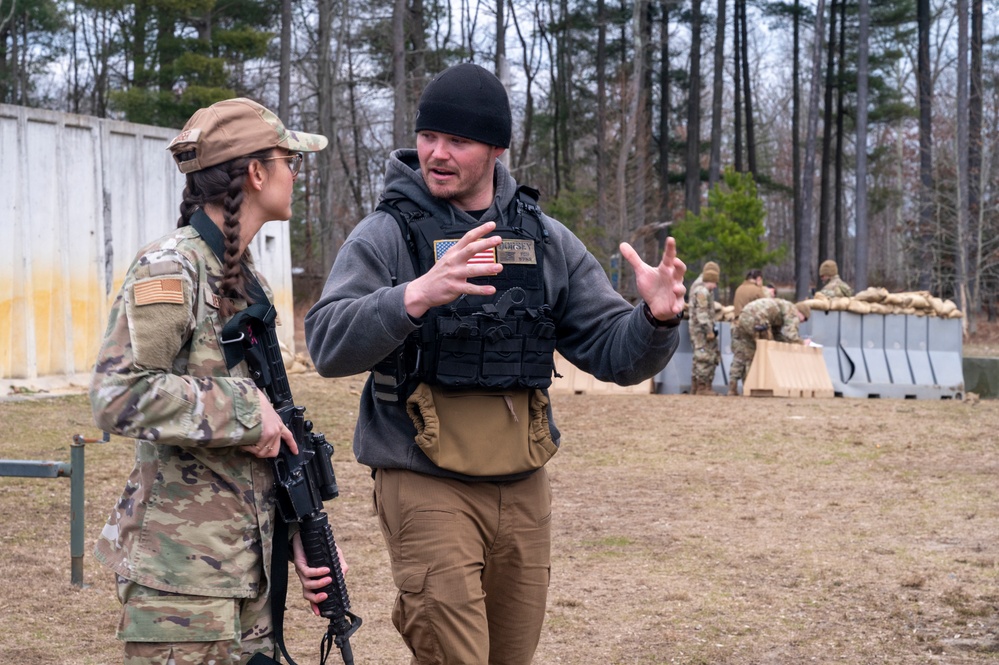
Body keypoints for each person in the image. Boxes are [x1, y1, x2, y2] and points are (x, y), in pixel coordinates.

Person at [305, 63, 686, 665]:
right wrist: (416, 294)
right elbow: (325, 343)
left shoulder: (545, 240)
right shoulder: (385, 236)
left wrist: (656, 319)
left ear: (496, 150)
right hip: (424, 478)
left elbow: (613, 352)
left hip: (522, 482)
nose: (437, 153)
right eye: (429, 137)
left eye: (458, 141)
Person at [90, 98, 339, 665]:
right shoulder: (170, 268)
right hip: (180, 583)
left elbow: (267, 439)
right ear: (256, 173)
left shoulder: (245, 280)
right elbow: (118, 394)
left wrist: (300, 533)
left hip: (247, 577)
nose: (295, 174)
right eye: (288, 161)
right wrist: (245, 410)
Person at [728, 298, 811, 396]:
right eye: (804, 319)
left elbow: (777, 335)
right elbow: (791, 335)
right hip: (757, 320)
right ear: (800, 312)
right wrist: (802, 343)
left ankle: (732, 388)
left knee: (742, 353)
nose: (803, 322)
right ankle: (753, 387)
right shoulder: (792, 311)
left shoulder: (781, 307)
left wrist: (785, 342)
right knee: (763, 352)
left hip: (743, 317)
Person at [688, 261, 721, 396]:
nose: (716, 285)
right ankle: (702, 387)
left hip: (698, 328)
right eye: (715, 282)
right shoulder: (702, 291)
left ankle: (696, 387)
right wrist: (709, 330)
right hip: (700, 330)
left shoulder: (702, 289)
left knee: (699, 355)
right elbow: (702, 314)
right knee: (703, 356)